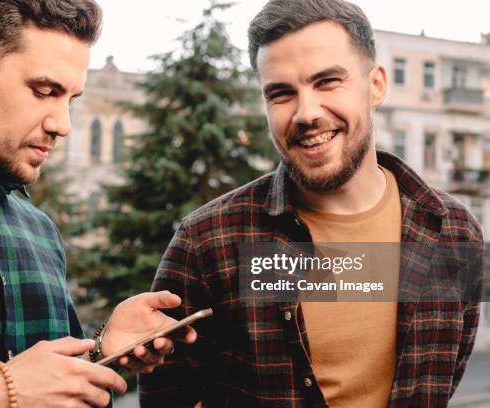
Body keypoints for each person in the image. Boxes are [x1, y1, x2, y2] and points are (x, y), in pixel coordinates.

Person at [139, 0, 483, 407]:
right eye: (282, 93)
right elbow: (167, 396)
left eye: (327, 82)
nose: (306, 113)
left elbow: (443, 376)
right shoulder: (208, 240)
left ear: (376, 85)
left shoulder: (455, 233)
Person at [0, 1, 197, 407]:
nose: (62, 124)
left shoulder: (38, 229)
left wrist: (102, 351)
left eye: (70, 100)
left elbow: (47, 383)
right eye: (43, 92)